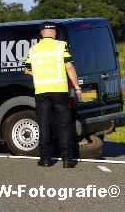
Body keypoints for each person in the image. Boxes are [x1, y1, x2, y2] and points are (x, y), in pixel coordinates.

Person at [24, 22, 82, 168]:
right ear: (52, 32)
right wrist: (77, 87)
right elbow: (69, 67)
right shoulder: (61, 46)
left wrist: (39, 72)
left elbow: (26, 70)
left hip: (42, 91)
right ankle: (67, 160)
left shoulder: (33, 49)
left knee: (44, 124)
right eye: (54, 30)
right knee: (64, 124)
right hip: (59, 90)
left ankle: (45, 159)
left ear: (41, 33)